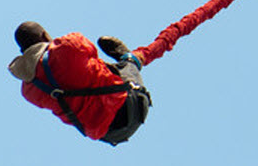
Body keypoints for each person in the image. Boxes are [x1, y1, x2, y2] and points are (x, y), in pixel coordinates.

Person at [8, 21, 152, 145]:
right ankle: (125, 58)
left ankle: (118, 67)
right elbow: (92, 56)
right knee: (127, 63)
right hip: (129, 106)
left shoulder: (28, 90)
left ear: (22, 51)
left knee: (86, 75)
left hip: (109, 134)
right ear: (45, 35)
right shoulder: (68, 44)